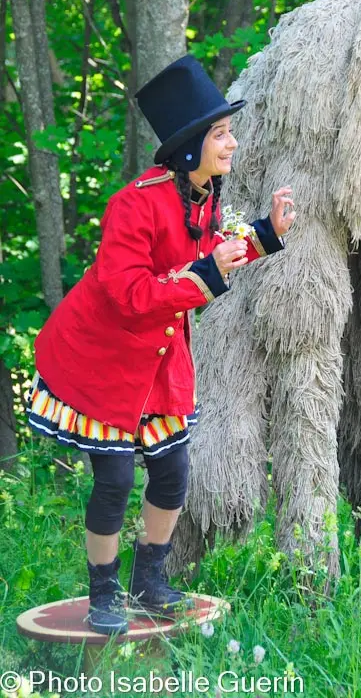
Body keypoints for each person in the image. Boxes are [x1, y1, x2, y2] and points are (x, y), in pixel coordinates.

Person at [25, 56, 296, 636]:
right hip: (100, 360)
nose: (231, 143)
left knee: (172, 474)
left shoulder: (203, 195)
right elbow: (129, 295)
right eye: (220, 134)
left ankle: (148, 583)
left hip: (158, 360)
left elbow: (213, 249)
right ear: (190, 149)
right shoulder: (134, 203)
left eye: (229, 132)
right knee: (115, 481)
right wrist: (205, 273)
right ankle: (104, 593)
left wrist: (267, 234)